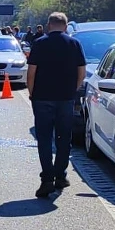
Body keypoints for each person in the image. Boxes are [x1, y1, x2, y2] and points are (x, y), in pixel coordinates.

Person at [27, 12, 87, 198]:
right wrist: (73, 90)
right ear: (66, 26)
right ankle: (60, 176)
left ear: (48, 25)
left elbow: (31, 72)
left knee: (44, 139)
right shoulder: (74, 44)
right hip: (65, 98)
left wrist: (32, 93)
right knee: (64, 139)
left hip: (42, 98)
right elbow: (82, 72)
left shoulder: (39, 44)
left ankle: (47, 180)